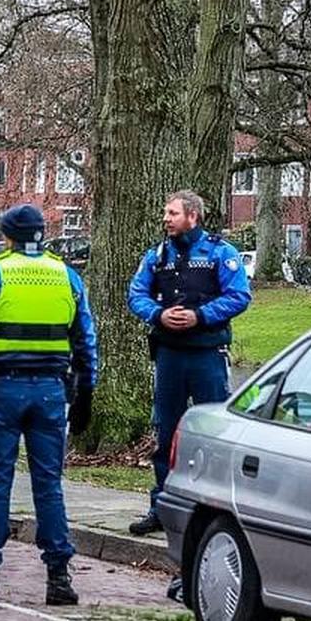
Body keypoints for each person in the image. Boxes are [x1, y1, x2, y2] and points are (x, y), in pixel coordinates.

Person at [0, 204, 99, 606]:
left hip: (4, 391)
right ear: (42, 235)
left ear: (8, 236)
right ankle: (59, 578)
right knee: (49, 485)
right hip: (51, 392)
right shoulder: (67, 276)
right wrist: (86, 393)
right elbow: (85, 339)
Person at [126, 190, 251, 537]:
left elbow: (240, 295)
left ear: (192, 216)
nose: (166, 219)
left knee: (213, 433)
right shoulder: (157, 256)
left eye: (172, 213)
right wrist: (158, 314)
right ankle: (161, 507)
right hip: (169, 355)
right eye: (166, 213)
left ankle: (211, 513)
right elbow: (136, 293)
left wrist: (200, 316)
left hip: (207, 354)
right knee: (166, 434)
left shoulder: (220, 254)